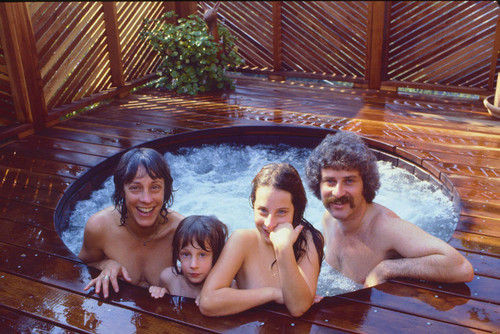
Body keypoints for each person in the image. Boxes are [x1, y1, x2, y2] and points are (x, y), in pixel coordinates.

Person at [305, 131, 474, 288]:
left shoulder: (385, 227)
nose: (338, 192)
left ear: (365, 185)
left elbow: (461, 267)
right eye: (330, 181)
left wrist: (386, 268)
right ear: (318, 184)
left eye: (349, 181)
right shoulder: (328, 219)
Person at [199, 163, 324, 317]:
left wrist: (283, 249)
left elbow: (299, 307)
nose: (269, 223)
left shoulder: (309, 239)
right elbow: (207, 302)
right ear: (253, 206)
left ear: (296, 211)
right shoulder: (242, 241)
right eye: (263, 210)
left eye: (281, 212)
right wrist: (273, 294)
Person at [78, 147, 184, 298]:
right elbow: (78, 268)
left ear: (165, 190)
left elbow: (204, 281)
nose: (146, 199)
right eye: (135, 188)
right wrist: (106, 264)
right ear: (122, 190)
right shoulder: (100, 227)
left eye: (155, 187)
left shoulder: (181, 232)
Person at [148, 215, 229, 302]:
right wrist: (161, 293)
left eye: (202, 255)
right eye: (186, 254)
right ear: (178, 255)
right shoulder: (169, 279)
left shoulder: (227, 287)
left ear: (216, 256)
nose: (193, 265)